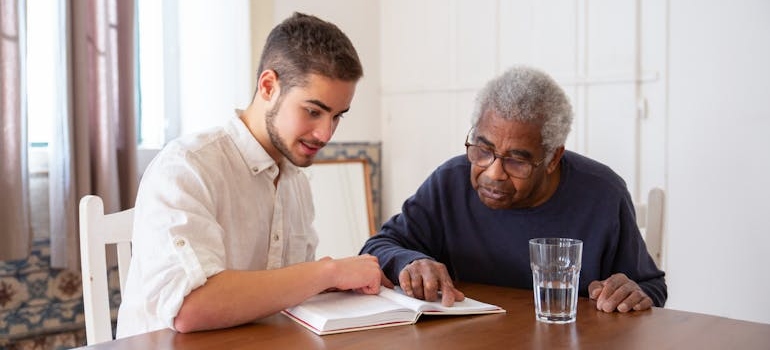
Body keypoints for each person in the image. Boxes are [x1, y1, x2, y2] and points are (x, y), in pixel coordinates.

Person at [116, 13, 386, 338]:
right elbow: (190, 307)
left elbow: (288, 291)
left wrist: (342, 284)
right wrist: (327, 272)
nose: (326, 134)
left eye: (336, 116)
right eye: (313, 112)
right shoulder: (187, 166)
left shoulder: (295, 182)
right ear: (269, 86)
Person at [360, 65, 667, 313]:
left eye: (517, 161)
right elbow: (377, 247)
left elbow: (650, 287)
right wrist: (410, 261)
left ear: (552, 158)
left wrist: (630, 292)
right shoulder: (450, 182)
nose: (493, 173)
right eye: (483, 150)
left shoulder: (603, 194)